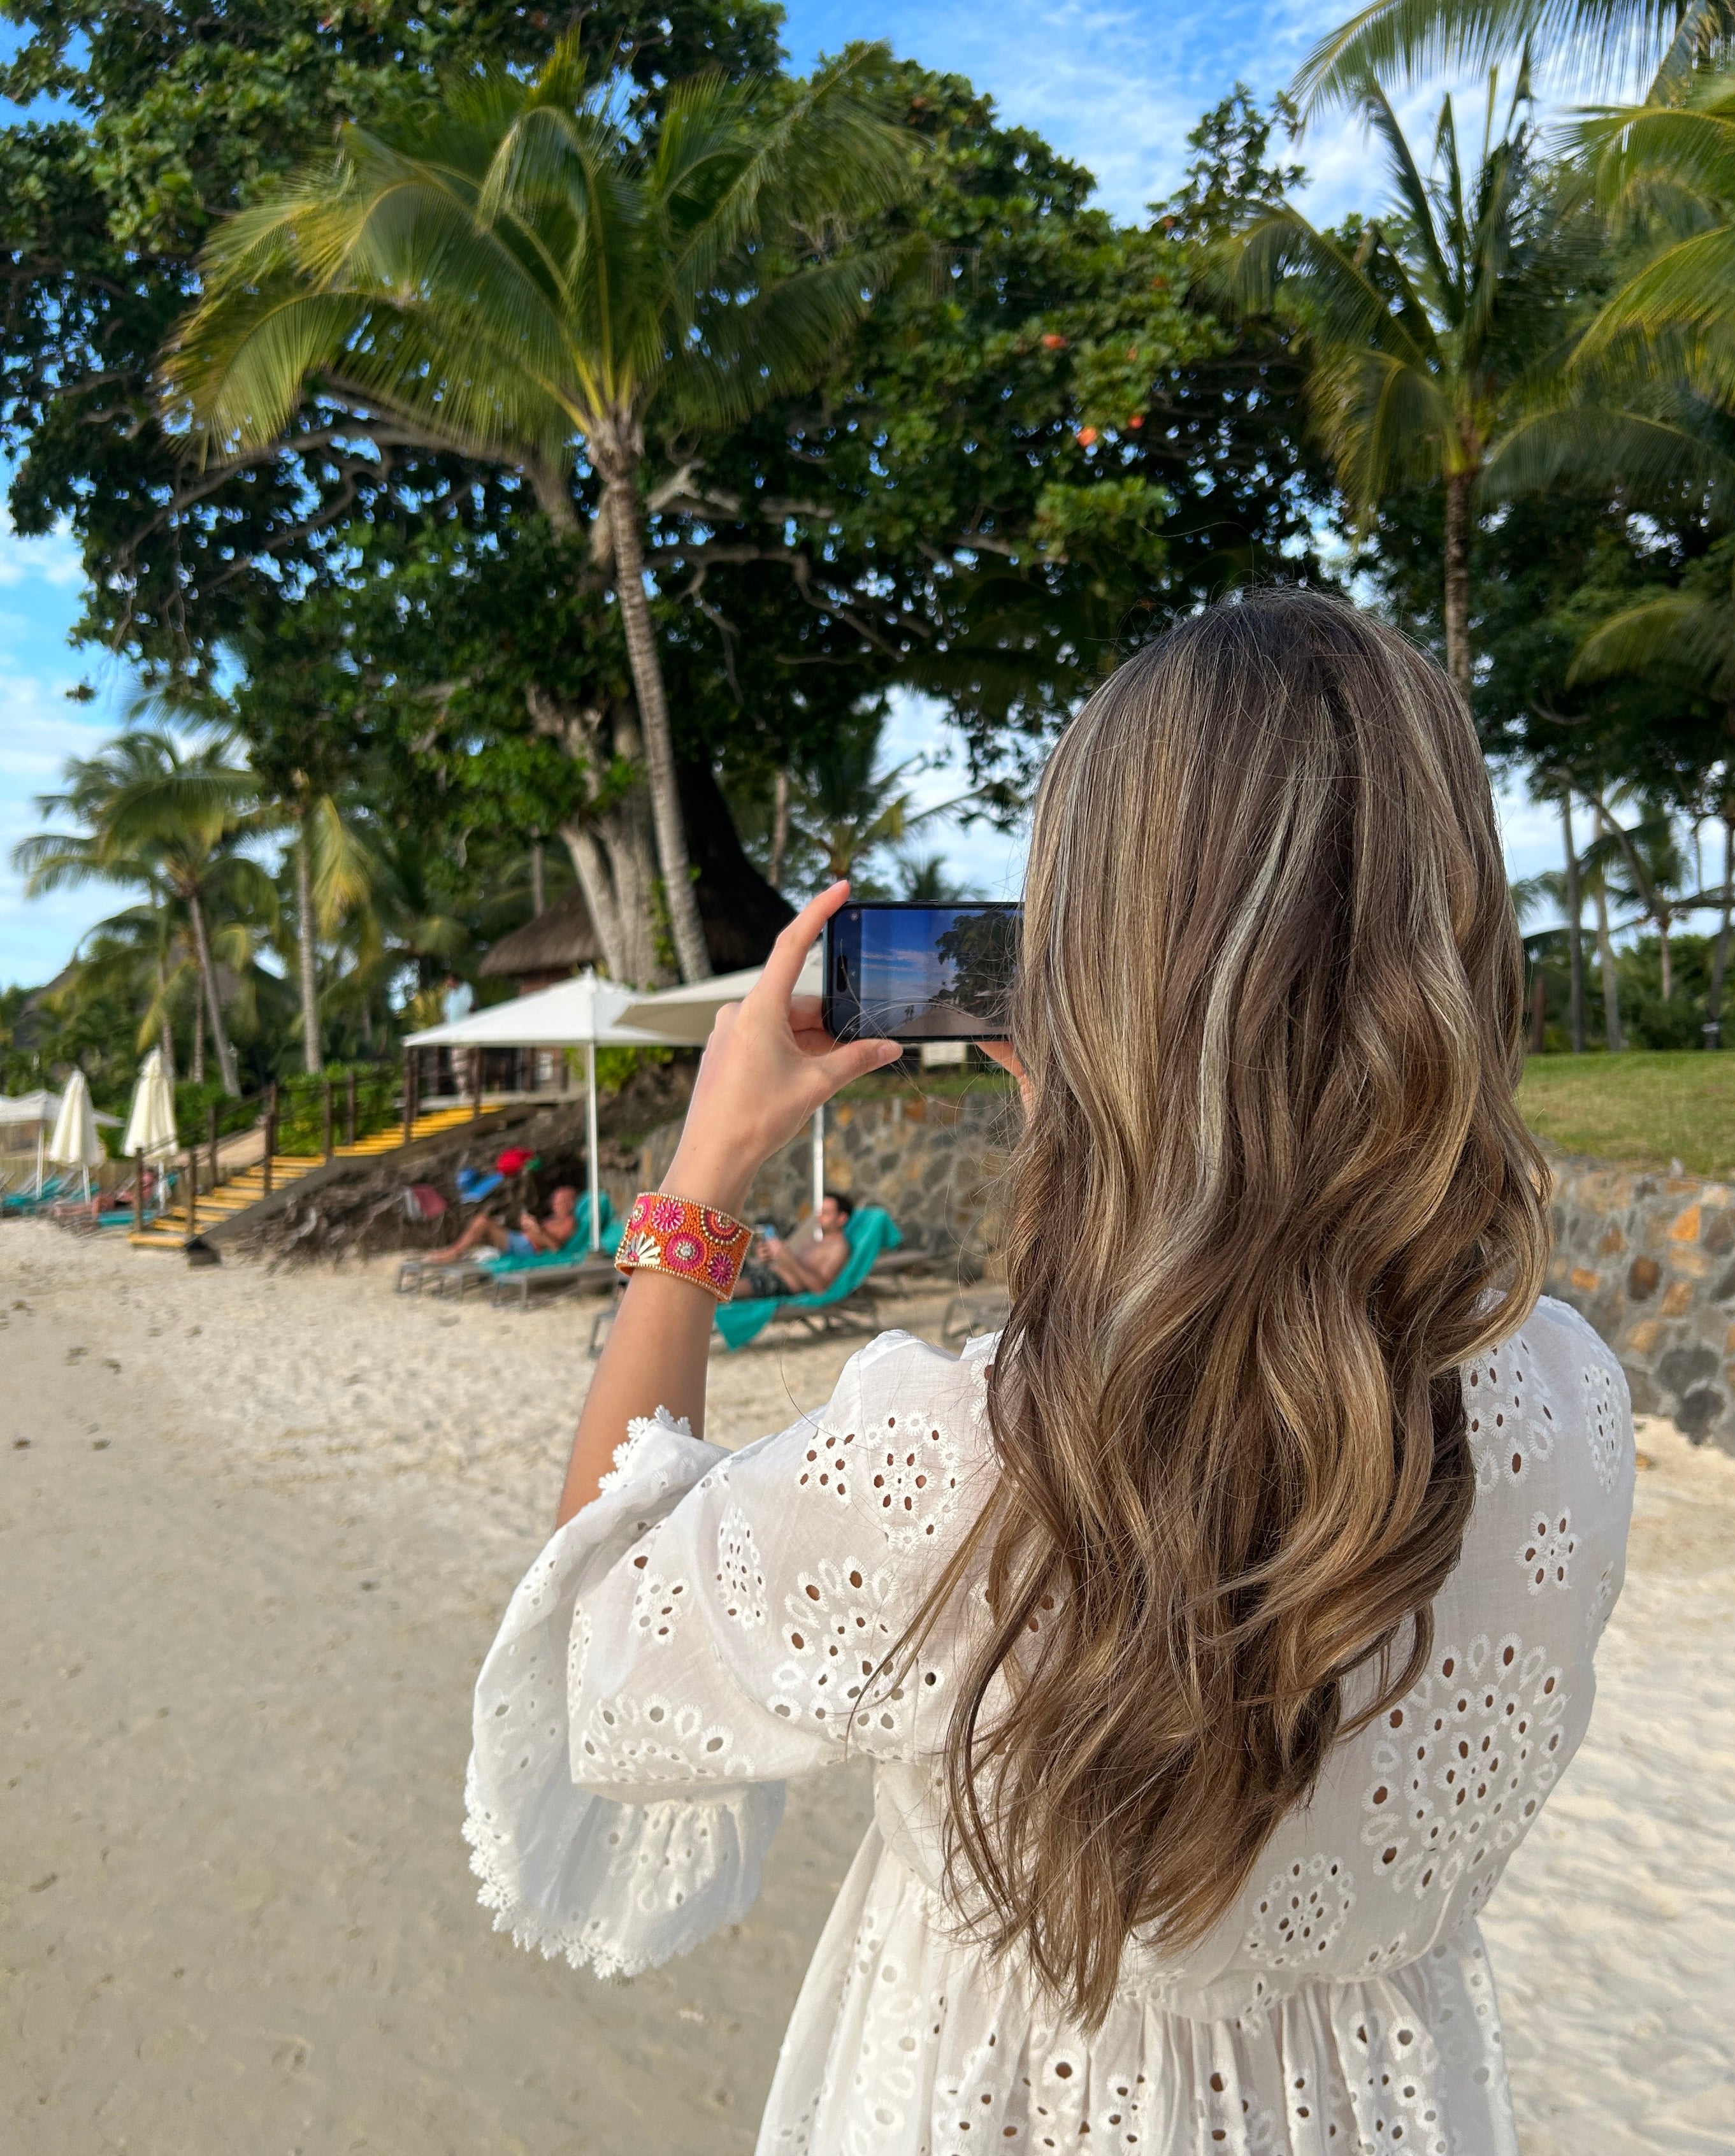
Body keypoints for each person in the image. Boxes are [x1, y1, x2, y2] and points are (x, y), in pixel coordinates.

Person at [465, 590, 1636, 2155]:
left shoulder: (961, 1454)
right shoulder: (1564, 1404)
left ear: (1082, 968)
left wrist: (708, 1173)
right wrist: (1140, 1141)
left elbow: (591, 1663)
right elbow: (1262, 1360)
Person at [738, 1189, 856, 1298]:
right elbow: (785, 1264)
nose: (819, 1217)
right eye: (820, 1212)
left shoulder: (838, 1248)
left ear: (842, 1218)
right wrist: (767, 1259)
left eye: (826, 1213)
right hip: (765, 1274)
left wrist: (786, 1256)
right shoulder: (813, 1242)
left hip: (774, 1283)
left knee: (724, 1287)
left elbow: (819, 1287)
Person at [423, 1181, 577, 1265]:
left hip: (527, 1248)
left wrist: (536, 1229)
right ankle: (452, 1252)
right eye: (555, 1202)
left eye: (560, 1202)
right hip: (522, 1241)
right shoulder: (555, 1219)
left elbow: (556, 1248)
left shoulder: (568, 1223)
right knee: (478, 1231)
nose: (554, 1205)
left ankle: (452, 1254)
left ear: (570, 1204)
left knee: (482, 1221)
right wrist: (529, 1225)